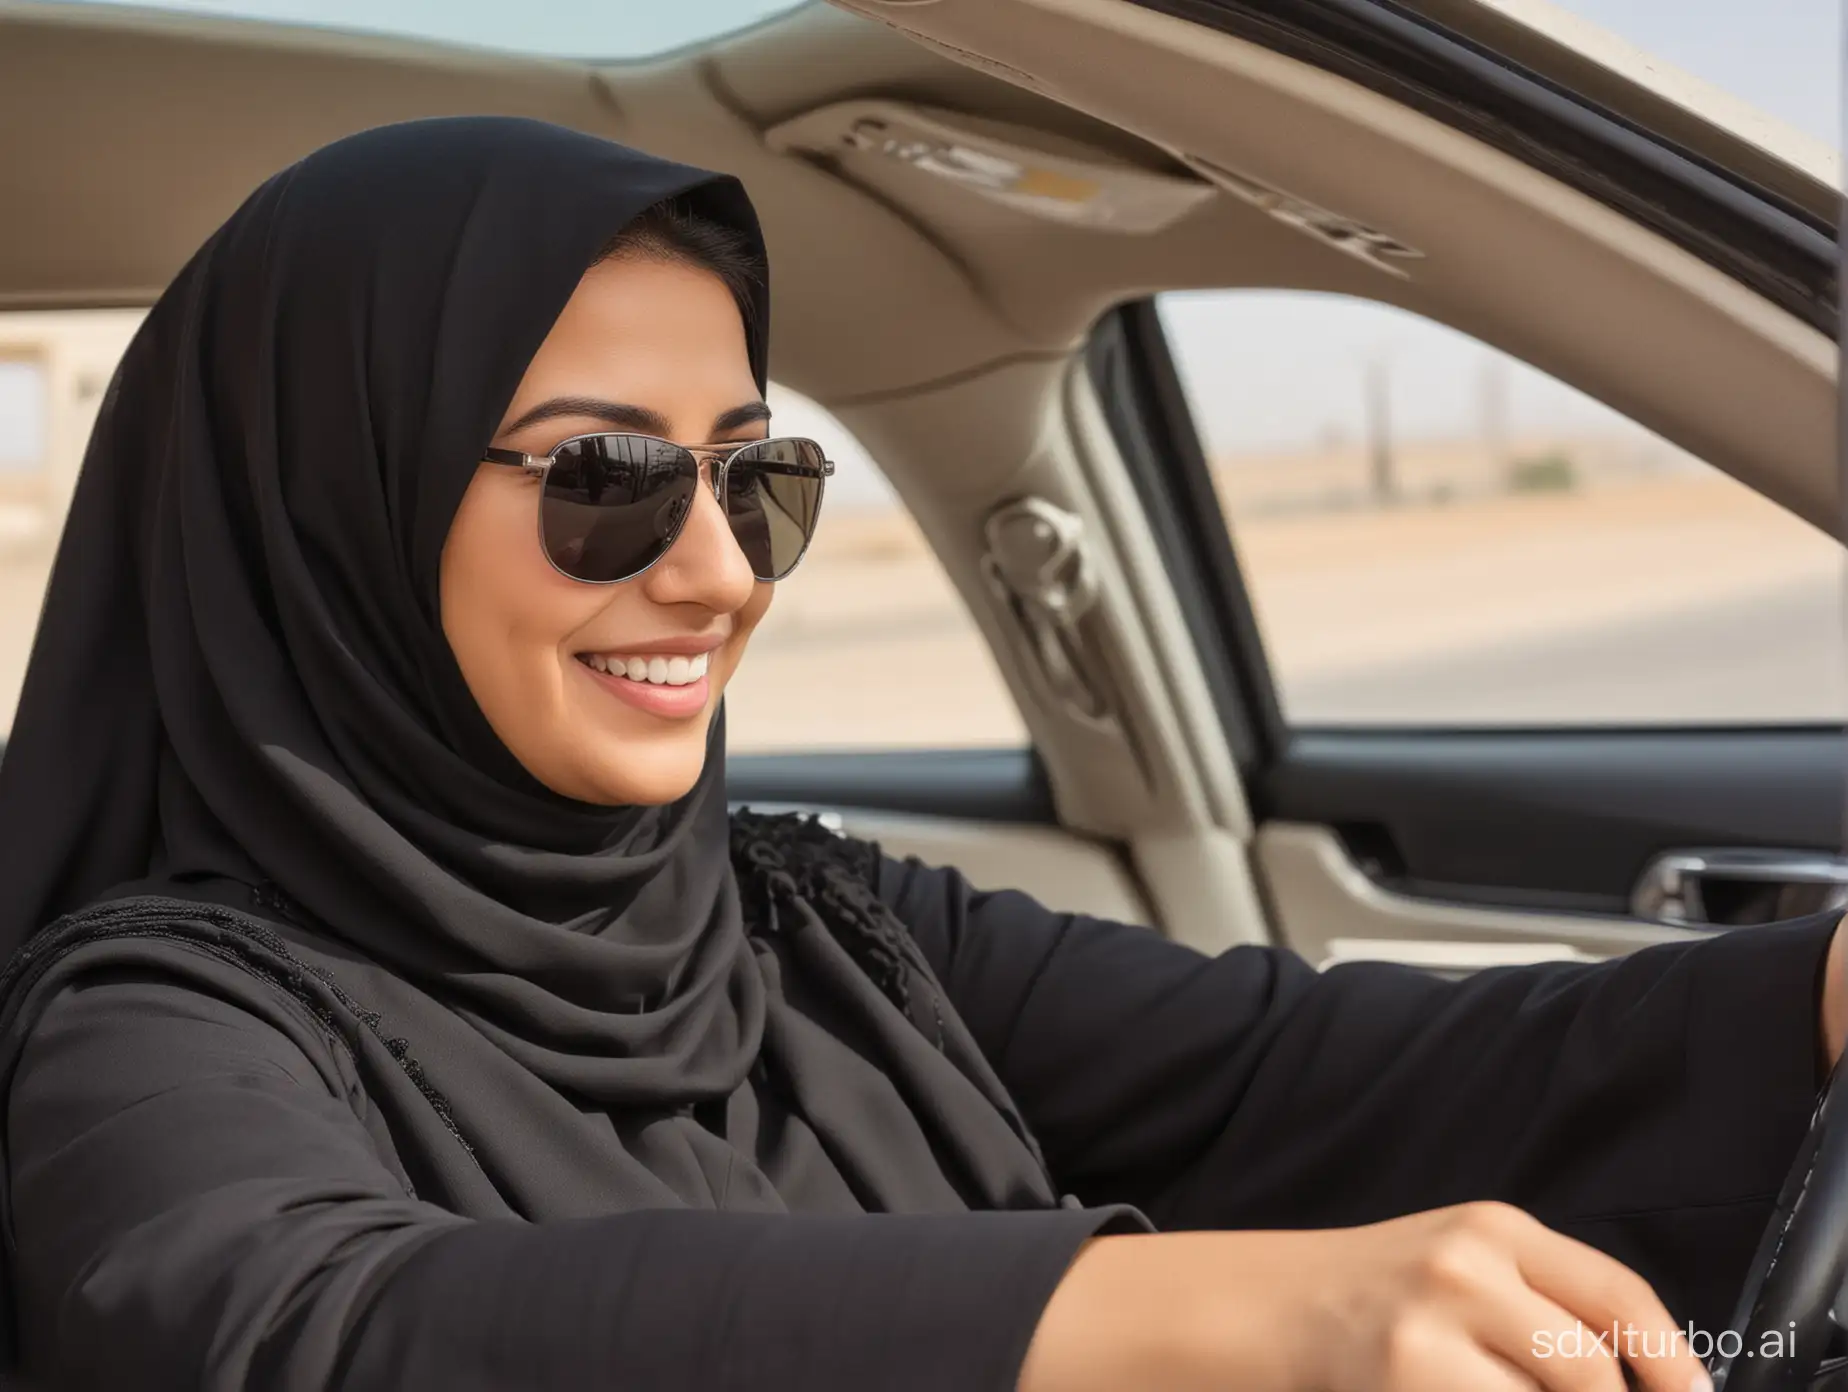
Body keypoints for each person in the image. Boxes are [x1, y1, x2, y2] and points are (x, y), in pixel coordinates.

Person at [0, 115, 1835, 1392]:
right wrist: (1164, 1323)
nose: (717, 572)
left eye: (756, 475)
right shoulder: (157, 1021)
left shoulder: (812, 925)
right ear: (334, 517)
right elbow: (312, 1328)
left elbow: (1312, 1071)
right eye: (604, 478)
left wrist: (1815, 1000)